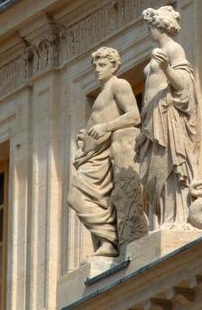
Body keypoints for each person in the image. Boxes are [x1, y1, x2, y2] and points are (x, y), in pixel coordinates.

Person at [68, 47, 141, 257]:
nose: (97, 70)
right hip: (93, 155)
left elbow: (134, 116)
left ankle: (110, 237)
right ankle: (107, 241)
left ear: (115, 66)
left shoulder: (119, 85)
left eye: (103, 65)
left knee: (75, 196)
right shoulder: (102, 93)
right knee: (91, 199)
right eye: (95, 66)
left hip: (104, 155)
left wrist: (105, 127)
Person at [138, 6, 201, 230]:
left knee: (171, 164)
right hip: (152, 117)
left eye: (151, 27)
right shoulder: (160, 51)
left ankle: (175, 217)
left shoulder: (174, 49)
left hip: (167, 116)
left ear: (160, 27)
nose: (149, 32)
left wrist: (166, 68)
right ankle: (164, 217)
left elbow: (184, 83)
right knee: (154, 168)